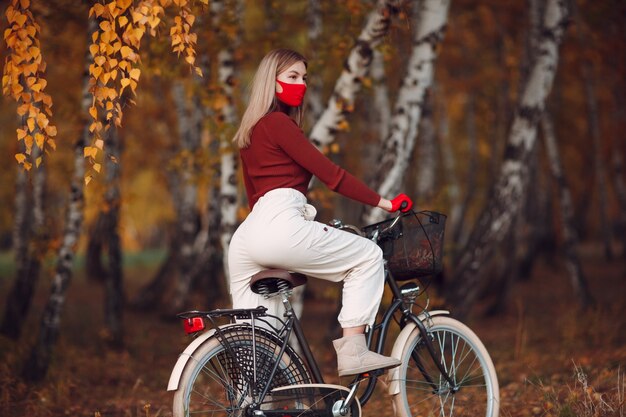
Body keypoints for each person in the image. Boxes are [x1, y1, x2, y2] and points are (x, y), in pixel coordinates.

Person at [228, 48, 413, 377]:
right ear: (272, 82)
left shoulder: (249, 132)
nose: (302, 84)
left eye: (304, 78)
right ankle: (354, 351)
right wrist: (385, 203)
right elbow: (332, 176)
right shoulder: (278, 123)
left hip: (247, 237)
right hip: (279, 223)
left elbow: (253, 195)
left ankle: (250, 403)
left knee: (257, 341)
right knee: (368, 256)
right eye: (293, 77)